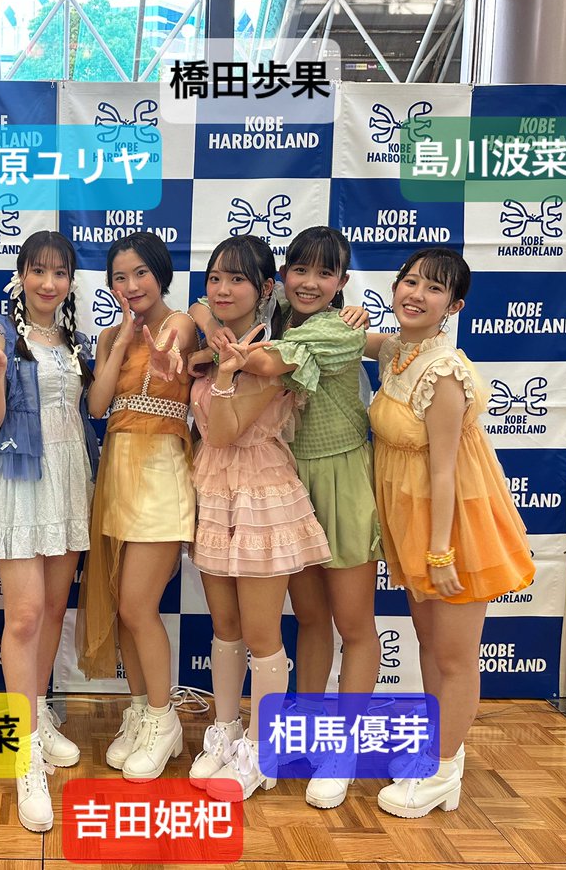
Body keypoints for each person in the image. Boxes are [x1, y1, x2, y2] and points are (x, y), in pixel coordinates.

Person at [194, 226, 381, 809]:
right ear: (282, 279)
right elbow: (217, 320)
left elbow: (268, 361)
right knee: (311, 619)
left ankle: (341, 749)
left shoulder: (331, 329)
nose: (310, 282)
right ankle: (300, 733)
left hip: (339, 480)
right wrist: (208, 335)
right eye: (301, 269)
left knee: (354, 623)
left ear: (342, 282)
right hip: (287, 481)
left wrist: (220, 353)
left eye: (325, 273)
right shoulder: (279, 322)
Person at [366, 247, 534, 818]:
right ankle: (439, 753)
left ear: (454, 306)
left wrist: (441, 551)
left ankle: (441, 770)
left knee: (456, 654)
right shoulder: (399, 350)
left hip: (453, 524)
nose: (416, 294)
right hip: (413, 518)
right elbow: (348, 340)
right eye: (409, 281)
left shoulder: (443, 372)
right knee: (430, 644)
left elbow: (443, 470)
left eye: (434, 289)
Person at [0, 230, 99, 833]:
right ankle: (24, 756)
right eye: (38, 270)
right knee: (23, 617)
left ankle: (38, 716)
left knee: (55, 609)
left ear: (70, 281)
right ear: (20, 275)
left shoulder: (75, 341)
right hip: (18, 480)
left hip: (68, 478)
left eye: (59, 272)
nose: (49, 282)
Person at [185, 236, 332, 802]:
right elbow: (197, 310)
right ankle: (224, 729)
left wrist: (224, 372)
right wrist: (211, 342)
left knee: (263, 632)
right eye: (215, 278)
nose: (222, 289)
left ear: (266, 288)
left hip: (263, 495)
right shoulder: (214, 338)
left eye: (237, 279)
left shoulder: (274, 354)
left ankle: (260, 746)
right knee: (224, 624)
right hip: (214, 492)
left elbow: (225, 432)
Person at [79, 231, 198, 782]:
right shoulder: (110, 336)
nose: (130, 285)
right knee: (123, 605)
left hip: (161, 472)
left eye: (141, 274)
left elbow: (175, 347)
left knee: (137, 605)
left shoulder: (183, 324)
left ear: (161, 274)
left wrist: (161, 349)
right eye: (119, 278)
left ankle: (163, 718)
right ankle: (141, 710)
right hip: (116, 474)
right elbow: (98, 405)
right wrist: (123, 337)